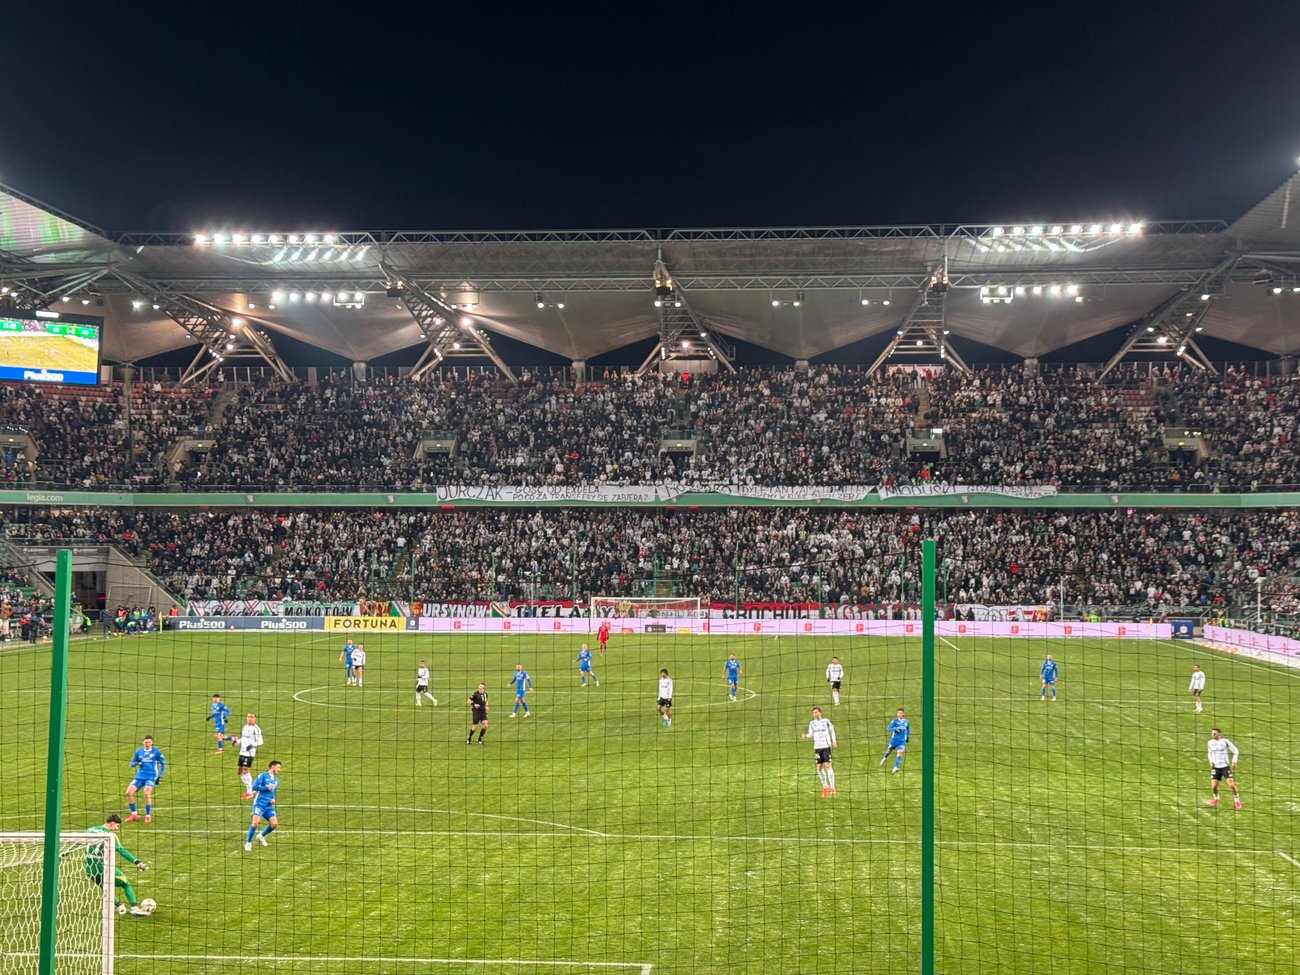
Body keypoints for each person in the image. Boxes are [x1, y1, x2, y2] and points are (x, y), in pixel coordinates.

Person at [84, 813, 151, 916]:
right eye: (117, 826)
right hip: (103, 868)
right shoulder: (110, 835)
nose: (117, 829)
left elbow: (78, 842)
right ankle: (134, 908)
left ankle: (120, 907)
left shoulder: (90, 830)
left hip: (89, 869)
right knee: (125, 884)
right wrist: (137, 862)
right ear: (112, 823)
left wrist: (66, 852)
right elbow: (121, 851)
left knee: (105, 887)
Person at [244, 760, 283, 851]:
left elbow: (272, 791)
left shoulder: (276, 780)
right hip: (259, 804)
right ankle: (248, 843)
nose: (279, 770)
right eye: (278, 767)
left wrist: (273, 799)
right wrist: (266, 787)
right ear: (272, 767)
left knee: (274, 824)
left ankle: (260, 836)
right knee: (255, 823)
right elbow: (253, 787)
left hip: (268, 806)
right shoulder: (263, 776)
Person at [125, 736, 165, 823]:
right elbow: (131, 763)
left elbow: (163, 763)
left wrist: (160, 776)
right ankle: (134, 814)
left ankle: (147, 815)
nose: (147, 744)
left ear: (152, 743)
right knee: (129, 793)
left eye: (149, 742)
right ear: (143, 743)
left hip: (150, 777)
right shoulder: (139, 752)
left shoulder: (156, 752)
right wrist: (136, 763)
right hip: (139, 777)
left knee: (146, 793)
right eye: (146, 742)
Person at [801, 705, 838, 798]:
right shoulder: (812, 723)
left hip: (826, 746)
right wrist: (805, 736)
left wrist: (834, 741)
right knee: (819, 768)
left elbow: (832, 731)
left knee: (828, 765)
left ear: (820, 713)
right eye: (813, 713)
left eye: (816, 712)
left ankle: (833, 787)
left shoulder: (826, 721)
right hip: (817, 747)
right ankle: (825, 787)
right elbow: (811, 734)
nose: (814, 714)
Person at [1206, 728, 1242, 809]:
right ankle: (1216, 799)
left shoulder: (1225, 741)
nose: (1212, 735)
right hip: (1215, 767)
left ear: (1219, 734)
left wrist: (1234, 761)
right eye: (1212, 733)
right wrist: (1210, 761)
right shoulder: (1210, 742)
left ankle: (1237, 801)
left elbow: (1236, 751)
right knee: (1214, 786)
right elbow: (1209, 753)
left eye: (1215, 733)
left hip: (1225, 767)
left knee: (1231, 785)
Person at [230, 713, 264, 799]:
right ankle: (250, 789)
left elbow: (260, 741)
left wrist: (252, 745)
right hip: (242, 752)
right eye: (248, 717)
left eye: (252, 717)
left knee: (245, 770)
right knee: (239, 771)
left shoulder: (256, 729)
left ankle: (249, 792)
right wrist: (236, 742)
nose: (250, 719)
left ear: (255, 719)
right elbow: (243, 739)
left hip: (249, 753)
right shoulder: (245, 727)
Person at [880, 707, 910, 773]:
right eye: (898, 713)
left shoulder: (906, 722)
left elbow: (908, 729)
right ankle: (884, 758)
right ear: (897, 714)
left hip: (902, 741)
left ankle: (895, 767)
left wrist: (908, 737)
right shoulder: (895, 721)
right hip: (894, 740)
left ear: (903, 714)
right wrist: (895, 729)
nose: (900, 714)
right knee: (888, 751)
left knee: (900, 753)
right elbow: (888, 728)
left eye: (901, 713)